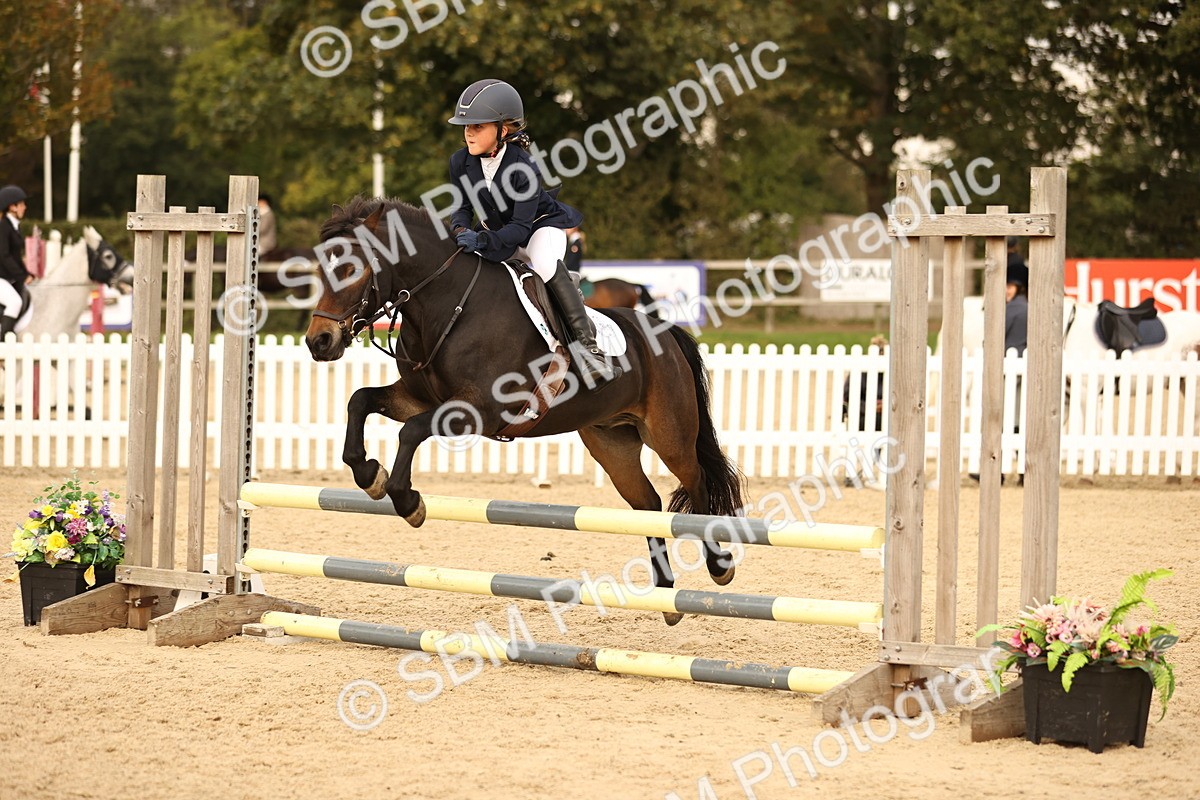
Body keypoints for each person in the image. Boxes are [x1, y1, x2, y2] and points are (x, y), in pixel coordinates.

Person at [445, 79, 614, 386]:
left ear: (503, 130)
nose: (468, 133)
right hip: (499, 232)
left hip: (538, 228)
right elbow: (462, 207)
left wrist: (481, 239)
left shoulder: (524, 165)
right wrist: (459, 229)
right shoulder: (460, 161)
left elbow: (520, 228)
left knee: (545, 265)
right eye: (466, 126)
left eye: (478, 126)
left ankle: (588, 348)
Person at [0, 184, 33, 339]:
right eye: (21, 204)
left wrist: (27, 274)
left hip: (7, 278)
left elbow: (16, 257)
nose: (24, 207)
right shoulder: (3, 227)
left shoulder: (14, 227)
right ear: (12, 207)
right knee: (14, 302)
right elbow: (4, 255)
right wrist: (21, 276)